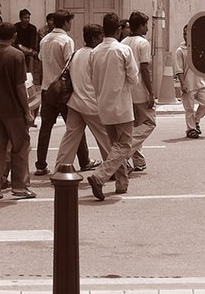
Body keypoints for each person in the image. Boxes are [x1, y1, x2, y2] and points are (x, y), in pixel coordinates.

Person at [54, 24, 123, 185]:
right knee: (105, 138)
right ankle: (112, 170)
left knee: (70, 138)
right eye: (100, 38)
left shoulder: (75, 54)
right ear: (93, 38)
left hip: (75, 103)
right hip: (91, 103)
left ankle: (59, 169)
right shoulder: (94, 55)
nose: (101, 40)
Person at [86, 12, 139, 201]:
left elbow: (92, 77)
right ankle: (99, 177)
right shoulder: (123, 50)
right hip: (121, 106)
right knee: (123, 146)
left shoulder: (95, 52)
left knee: (115, 147)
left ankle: (121, 183)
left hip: (103, 105)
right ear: (118, 30)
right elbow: (133, 76)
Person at [0, 22, 35, 200]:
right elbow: (20, 86)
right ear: (14, 36)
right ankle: (20, 186)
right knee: (20, 147)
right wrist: (27, 111)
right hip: (13, 110)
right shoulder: (17, 55)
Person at [35, 9, 74, 176]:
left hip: (47, 88)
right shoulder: (66, 40)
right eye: (70, 21)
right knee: (74, 126)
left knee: (45, 128)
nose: (71, 24)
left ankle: (41, 163)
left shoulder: (44, 40)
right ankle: (84, 159)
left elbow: (41, 60)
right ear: (65, 23)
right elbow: (70, 65)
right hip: (63, 89)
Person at [122, 10, 156, 172]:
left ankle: (138, 161)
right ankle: (123, 154)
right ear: (140, 26)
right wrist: (151, 92)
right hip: (140, 91)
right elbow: (145, 69)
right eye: (146, 25)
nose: (147, 29)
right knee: (149, 123)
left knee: (135, 126)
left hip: (127, 92)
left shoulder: (123, 42)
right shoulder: (143, 43)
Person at [174, 25, 205, 138]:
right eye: (184, 34)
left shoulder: (198, 48)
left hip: (200, 82)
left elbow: (204, 65)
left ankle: (196, 121)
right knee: (189, 108)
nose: (186, 37)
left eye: (188, 34)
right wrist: (182, 83)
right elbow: (178, 69)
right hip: (188, 84)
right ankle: (191, 129)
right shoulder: (180, 51)